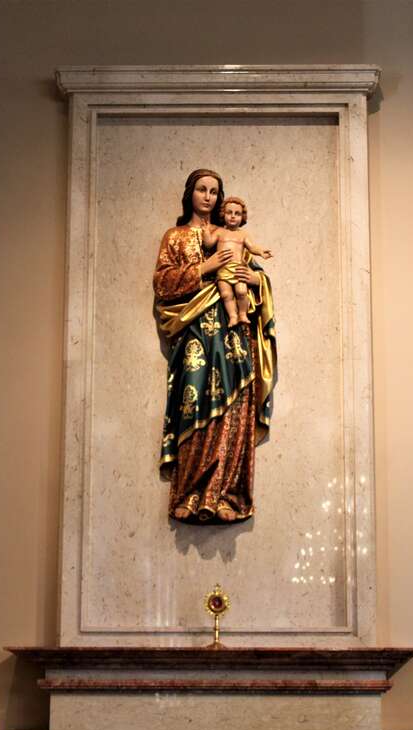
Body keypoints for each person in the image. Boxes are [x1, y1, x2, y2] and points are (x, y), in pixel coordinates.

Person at [153, 168, 276, 524]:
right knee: (194, 403)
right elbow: (163, 283)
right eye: (202, 190)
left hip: (233, 332)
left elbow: (254, 279)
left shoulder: (232, 235)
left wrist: (255, 279)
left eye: (214, 191)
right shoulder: (175, 237)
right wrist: (205, 267)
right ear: (190, 193)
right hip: (194, 333)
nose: (208, 196)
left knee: (233, 407)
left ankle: (226, 494)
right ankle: (190, 492)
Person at [202, 196, 273, 327]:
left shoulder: (243, 235)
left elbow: (252, 247)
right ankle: (233, 316)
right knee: (226, 294)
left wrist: (261, 252)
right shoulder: (219, 232)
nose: (233, 216)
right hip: (223, 269)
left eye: (237, 213)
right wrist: (206, 232)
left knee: (241, 291)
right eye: (229, 213)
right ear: (223, 214)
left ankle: (242, 314)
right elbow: (208, 244)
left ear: (242, 217)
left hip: (237, 270)